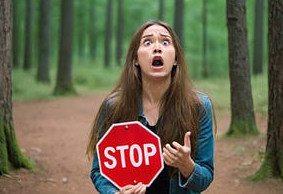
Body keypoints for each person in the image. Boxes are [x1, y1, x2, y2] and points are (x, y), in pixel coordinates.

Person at [86, 20, 215, 194]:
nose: (157, 47)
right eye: (147, 42)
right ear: (136, 59)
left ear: (176, 59)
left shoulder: (199, 106)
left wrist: (187, 166)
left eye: (165, 41)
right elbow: (99, 171)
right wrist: (115, 193)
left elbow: (205, 177)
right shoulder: (114, 107)